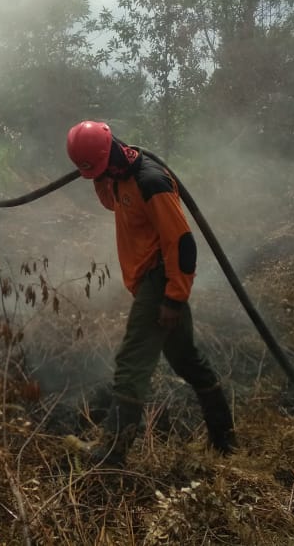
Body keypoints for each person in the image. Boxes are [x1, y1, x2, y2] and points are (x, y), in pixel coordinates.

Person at [65, 120, 236, 465]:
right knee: (186, 360)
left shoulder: (151, 181)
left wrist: (173, 298)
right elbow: (116, 205)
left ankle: (112, 452)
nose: (100, 175)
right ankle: (226, 443)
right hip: (153, 282)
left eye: (99, 169)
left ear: (109, 152)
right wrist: (98, 176)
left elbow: (183, 244)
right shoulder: (118, 175)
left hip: (159, 281)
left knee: (131, 363)